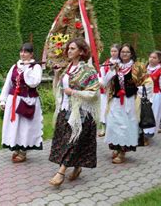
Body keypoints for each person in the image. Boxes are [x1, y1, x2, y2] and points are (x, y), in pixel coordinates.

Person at [48, 38, 99, 186]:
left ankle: (61, 172)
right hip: (65, 109)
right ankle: (77, 167)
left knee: (73, 141)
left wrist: (74, 92)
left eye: (73, 48)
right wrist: (57, 75)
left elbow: (94, 92)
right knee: (67, 141)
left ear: (81, 52)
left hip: (81, 113)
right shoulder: (67, 68)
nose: (69, 51)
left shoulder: (88, 70)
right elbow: (60, 88)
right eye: (68, 48)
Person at [0, 43, 43, 163]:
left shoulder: (35, 67)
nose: (23, 54)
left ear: (31, 54)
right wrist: (3, 100)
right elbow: (8, 83)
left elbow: (33, 83)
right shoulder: (14, 66)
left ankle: (24, 150)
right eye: (21, 51)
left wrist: (27, 69)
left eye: (26, 52)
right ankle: (16, 147)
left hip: (28, 100)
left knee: (25, 126)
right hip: (14, 100)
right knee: (14, 125)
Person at [103, 44, 146, 164]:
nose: (124, 54)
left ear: (131, 53)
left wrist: (141, 95)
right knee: (113, 125)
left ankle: (123, 152)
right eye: (122, 52)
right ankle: (116, 147)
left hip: (130, 101)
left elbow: (145, 82)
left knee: (126, 126)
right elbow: (105, 82)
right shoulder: (116, 66)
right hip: (116, 100)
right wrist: (112, 71)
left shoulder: (138, 67)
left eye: (127, 52)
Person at [142, 51, 161, 145]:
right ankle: (142, 134)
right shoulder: (144, 69)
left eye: (154, 58)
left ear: (159, 60)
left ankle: (147, 136)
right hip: (143, 95)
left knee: (152, 116)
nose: (151, 59)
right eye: (150, 57)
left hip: (155, 96)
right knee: (142, 116)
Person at [98, 44, 120, 137]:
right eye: (112, 51)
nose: (113, 53)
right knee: (104, 108)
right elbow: (100, 75)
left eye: (115, 51)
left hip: (117, 90)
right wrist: (102, 83)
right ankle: (103, 127)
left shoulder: (122, 63)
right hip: (106, 90)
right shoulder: (106, 63)